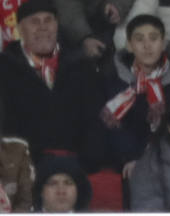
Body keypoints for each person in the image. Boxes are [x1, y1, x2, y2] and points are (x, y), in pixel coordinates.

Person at [0, 0, 106, 171]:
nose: (43, 27)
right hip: (23, 169)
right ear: (20, 29)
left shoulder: (81, 66)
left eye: (48, 20)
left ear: (57, 25)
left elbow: (95, 120)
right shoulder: (5, 68)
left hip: (75, 167)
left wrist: (85, 163)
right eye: (34, 22)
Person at [100, 14, 170, 175]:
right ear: (129, 45)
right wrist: (132, 156)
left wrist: (157, 155)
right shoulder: (115, 78)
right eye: (139, 39)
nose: (147, 45)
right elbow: (114, 126)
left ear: (163, 43)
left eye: (153, 38)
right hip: (129, 158)